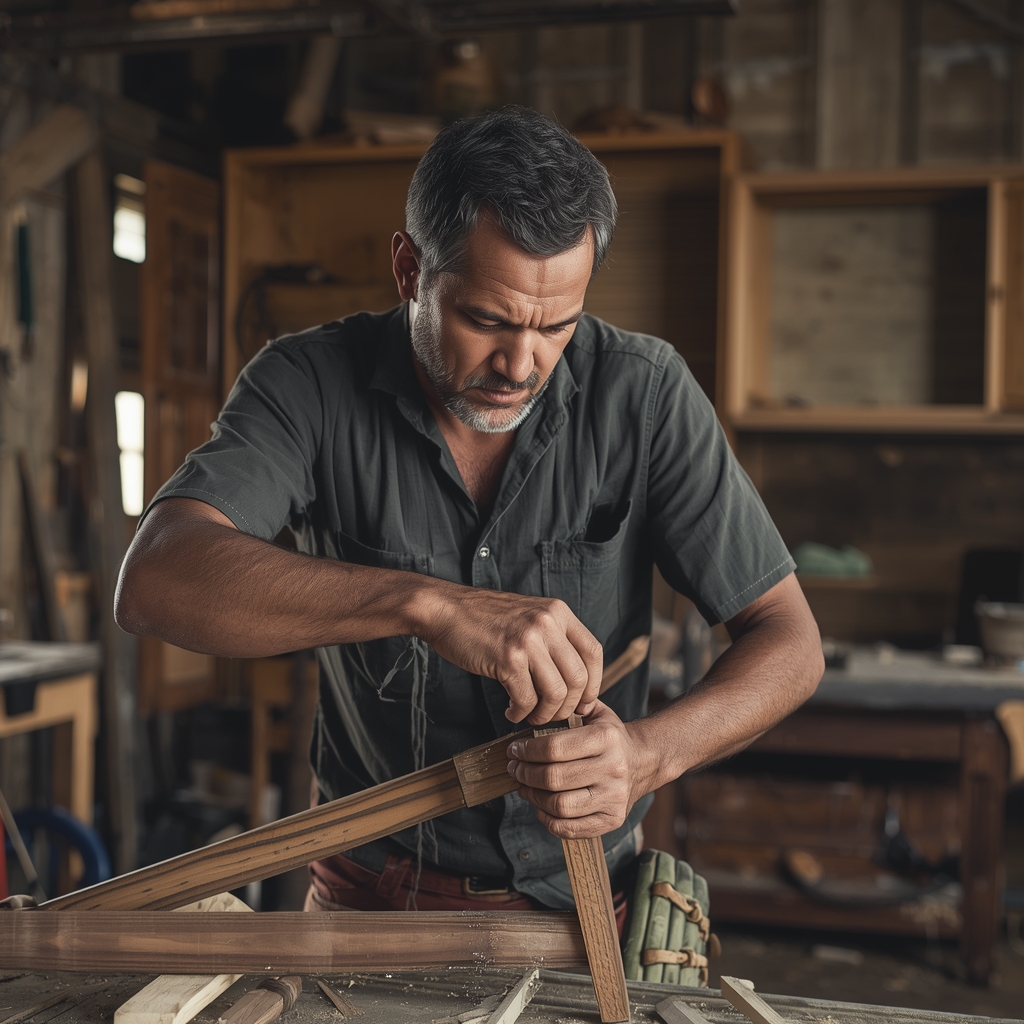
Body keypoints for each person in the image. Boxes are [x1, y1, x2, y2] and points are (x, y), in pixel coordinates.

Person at [115, 107, 823, 916]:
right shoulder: (306, 383)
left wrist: (647, 755)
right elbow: (157, 579)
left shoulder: (646, 393)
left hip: (584, 901)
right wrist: (427, 604)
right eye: (486, 320)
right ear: (409, 269)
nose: (521, 365)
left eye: (557, 326)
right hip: (370, 901)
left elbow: (790, 640)